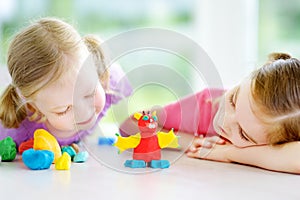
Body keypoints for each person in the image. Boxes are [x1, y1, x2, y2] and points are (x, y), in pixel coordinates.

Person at [120, 52, 300, 174]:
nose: (223, 119)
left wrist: (229, 153)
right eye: (233, 101)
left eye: (243, 134)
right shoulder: (203, 106)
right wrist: (189, 141)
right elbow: (129, 125)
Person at [0, 17, 132, 147]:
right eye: (64, 110)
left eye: (90, 94)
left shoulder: (108, 80)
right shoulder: (17, 133)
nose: (84, 112)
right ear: (32, 106)